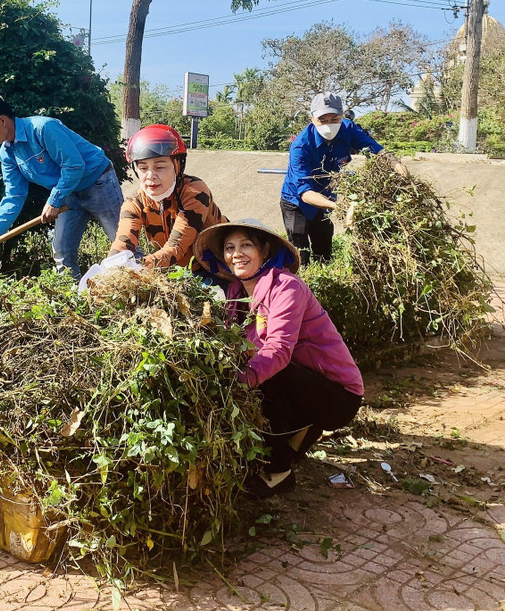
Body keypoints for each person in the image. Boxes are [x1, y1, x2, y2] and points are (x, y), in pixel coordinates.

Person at [194, 219, 364, 498]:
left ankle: (279, 471)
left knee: (266, 374)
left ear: (265, 250)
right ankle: (294, 440)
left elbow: (278, 351)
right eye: (229, 247)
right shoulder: (235, 295)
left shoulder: (286, 287)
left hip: (338, 395)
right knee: (247, 368)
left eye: (246, 245)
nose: (237, 253)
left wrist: (234, 384)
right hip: (303, 386)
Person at [0, 94, 124, 280]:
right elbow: (14, 194)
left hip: (98, 183)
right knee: (62, 251)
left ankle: (145, 294)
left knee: (123, 244)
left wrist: (54, 200)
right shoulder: (7, 153)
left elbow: (74, 165)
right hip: (69, 194)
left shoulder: (43, 128)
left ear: (2, 120)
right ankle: (76, 301)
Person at [280, 92, 405, 265]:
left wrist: (396, 164)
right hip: (296, 202)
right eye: (323, 120)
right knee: (300, 256)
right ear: (312, 118)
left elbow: (376, 150)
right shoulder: (301, 146)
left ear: (342, 115)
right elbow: (305, 192)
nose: (329, 124)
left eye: (334, 118)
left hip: (325, 198)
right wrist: (342, 207)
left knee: (324, 251)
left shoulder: (348, 129)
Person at [108, 124, 227, 270]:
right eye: (143, 168)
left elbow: (175, 247)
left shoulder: (195, 192)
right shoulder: (135, 203)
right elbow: (123, 243)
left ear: (177, 166)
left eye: (160, 167)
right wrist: (110, 267)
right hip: (175, 270)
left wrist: (136, 267)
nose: (150, 176)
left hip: (218, 268)